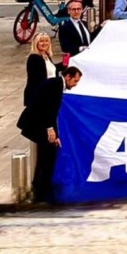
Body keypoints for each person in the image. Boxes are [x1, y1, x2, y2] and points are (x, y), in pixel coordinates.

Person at [17, 64, 82, 203]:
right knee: (46, 158)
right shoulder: (56, 85)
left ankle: (39, 190)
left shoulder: (57, 84)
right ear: (68, 76)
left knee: (46, 157)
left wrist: (55, 135)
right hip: (38, 123)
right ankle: (40, 192)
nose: (75, 84)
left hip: (40, 123)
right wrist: (49, 129)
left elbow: (51, 111)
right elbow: (48, 109)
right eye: (75, 81)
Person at [24, 32, 57, 107]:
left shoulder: (45, 55)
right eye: (41, 41)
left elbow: (51, 69)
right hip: (38, 96)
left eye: (46, 41)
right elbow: (38, 79)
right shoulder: (34, 58)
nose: (44, 43)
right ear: (36, 43)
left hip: (47, 93)